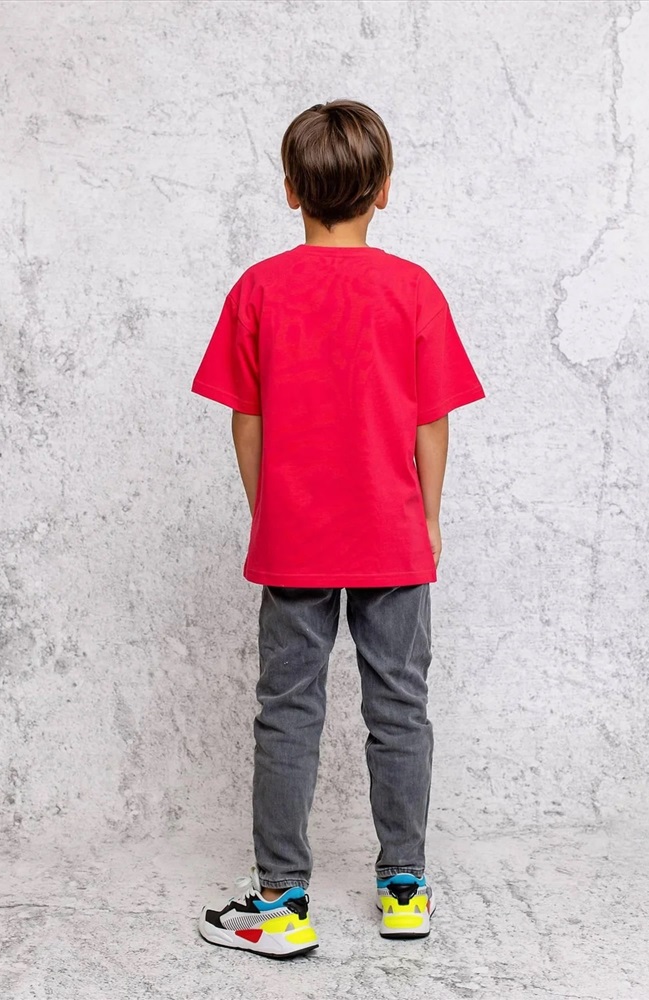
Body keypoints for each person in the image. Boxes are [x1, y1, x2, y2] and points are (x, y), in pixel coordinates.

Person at [190, 99, 485, 959]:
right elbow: (431, 422)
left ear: (290, 189)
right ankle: (405, 890)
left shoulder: (258, 289)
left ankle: (281, 903)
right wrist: (428, 518)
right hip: (393, 533)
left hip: (297, 537)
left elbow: (246, 421)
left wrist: (268, 511)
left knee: (287, 711)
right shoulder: (414, 289)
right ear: (384, 188)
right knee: (401, 709)